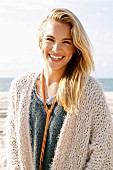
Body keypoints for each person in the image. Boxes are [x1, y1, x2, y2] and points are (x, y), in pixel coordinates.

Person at [6, 8, 113, 170]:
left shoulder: (90, 91)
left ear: (75, 47)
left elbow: (104, 151)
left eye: (66, 42)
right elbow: (12, 145)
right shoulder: (20, 87)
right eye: (50, 39)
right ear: (40, 41)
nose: (56, 49)